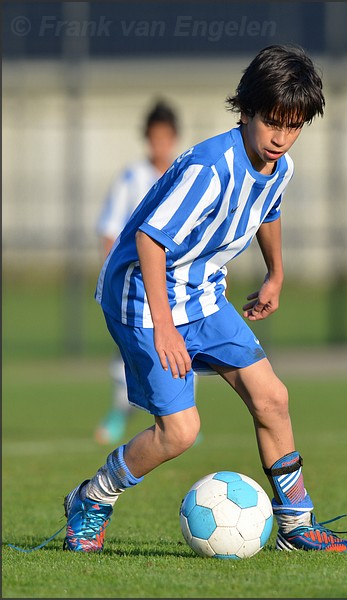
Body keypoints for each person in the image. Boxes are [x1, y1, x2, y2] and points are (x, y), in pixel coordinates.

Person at [63, 45, 347, 553]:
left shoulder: (281, 165)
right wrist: (163, 327)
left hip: (202, 295)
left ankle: (296, 525)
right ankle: (91, 499)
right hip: (142, 300)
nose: (281, 137)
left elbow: (267, 209)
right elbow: (148, 239)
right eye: (272, 121)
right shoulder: (211, 167)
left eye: (293, 126)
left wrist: (275, 273)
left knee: (273, 398)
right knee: (179, 433)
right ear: (246, 109)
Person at [94, 100, 180, 445]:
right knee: (129, 351)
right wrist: (113, 276)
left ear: (173, 138)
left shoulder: (183, 174)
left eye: (165, 137)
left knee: (179, 347)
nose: (159, 143)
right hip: (135, 281)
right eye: (154, 137)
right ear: (147, 138)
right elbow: (110, 230)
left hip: (175, 282)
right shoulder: (131, 178)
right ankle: (120, 411)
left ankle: (178, 417)